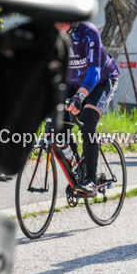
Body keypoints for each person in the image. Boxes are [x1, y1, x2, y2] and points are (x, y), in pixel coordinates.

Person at [55, 19, 120, 196]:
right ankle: (77, 171)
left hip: (101, 80)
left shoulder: (88, 32)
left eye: (63, 18)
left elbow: (94, 71)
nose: (58, 22)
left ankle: (90, 180)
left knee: (87, 121)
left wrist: (79, 97)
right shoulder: (51, 33)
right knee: (58, 125)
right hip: (71, 83)